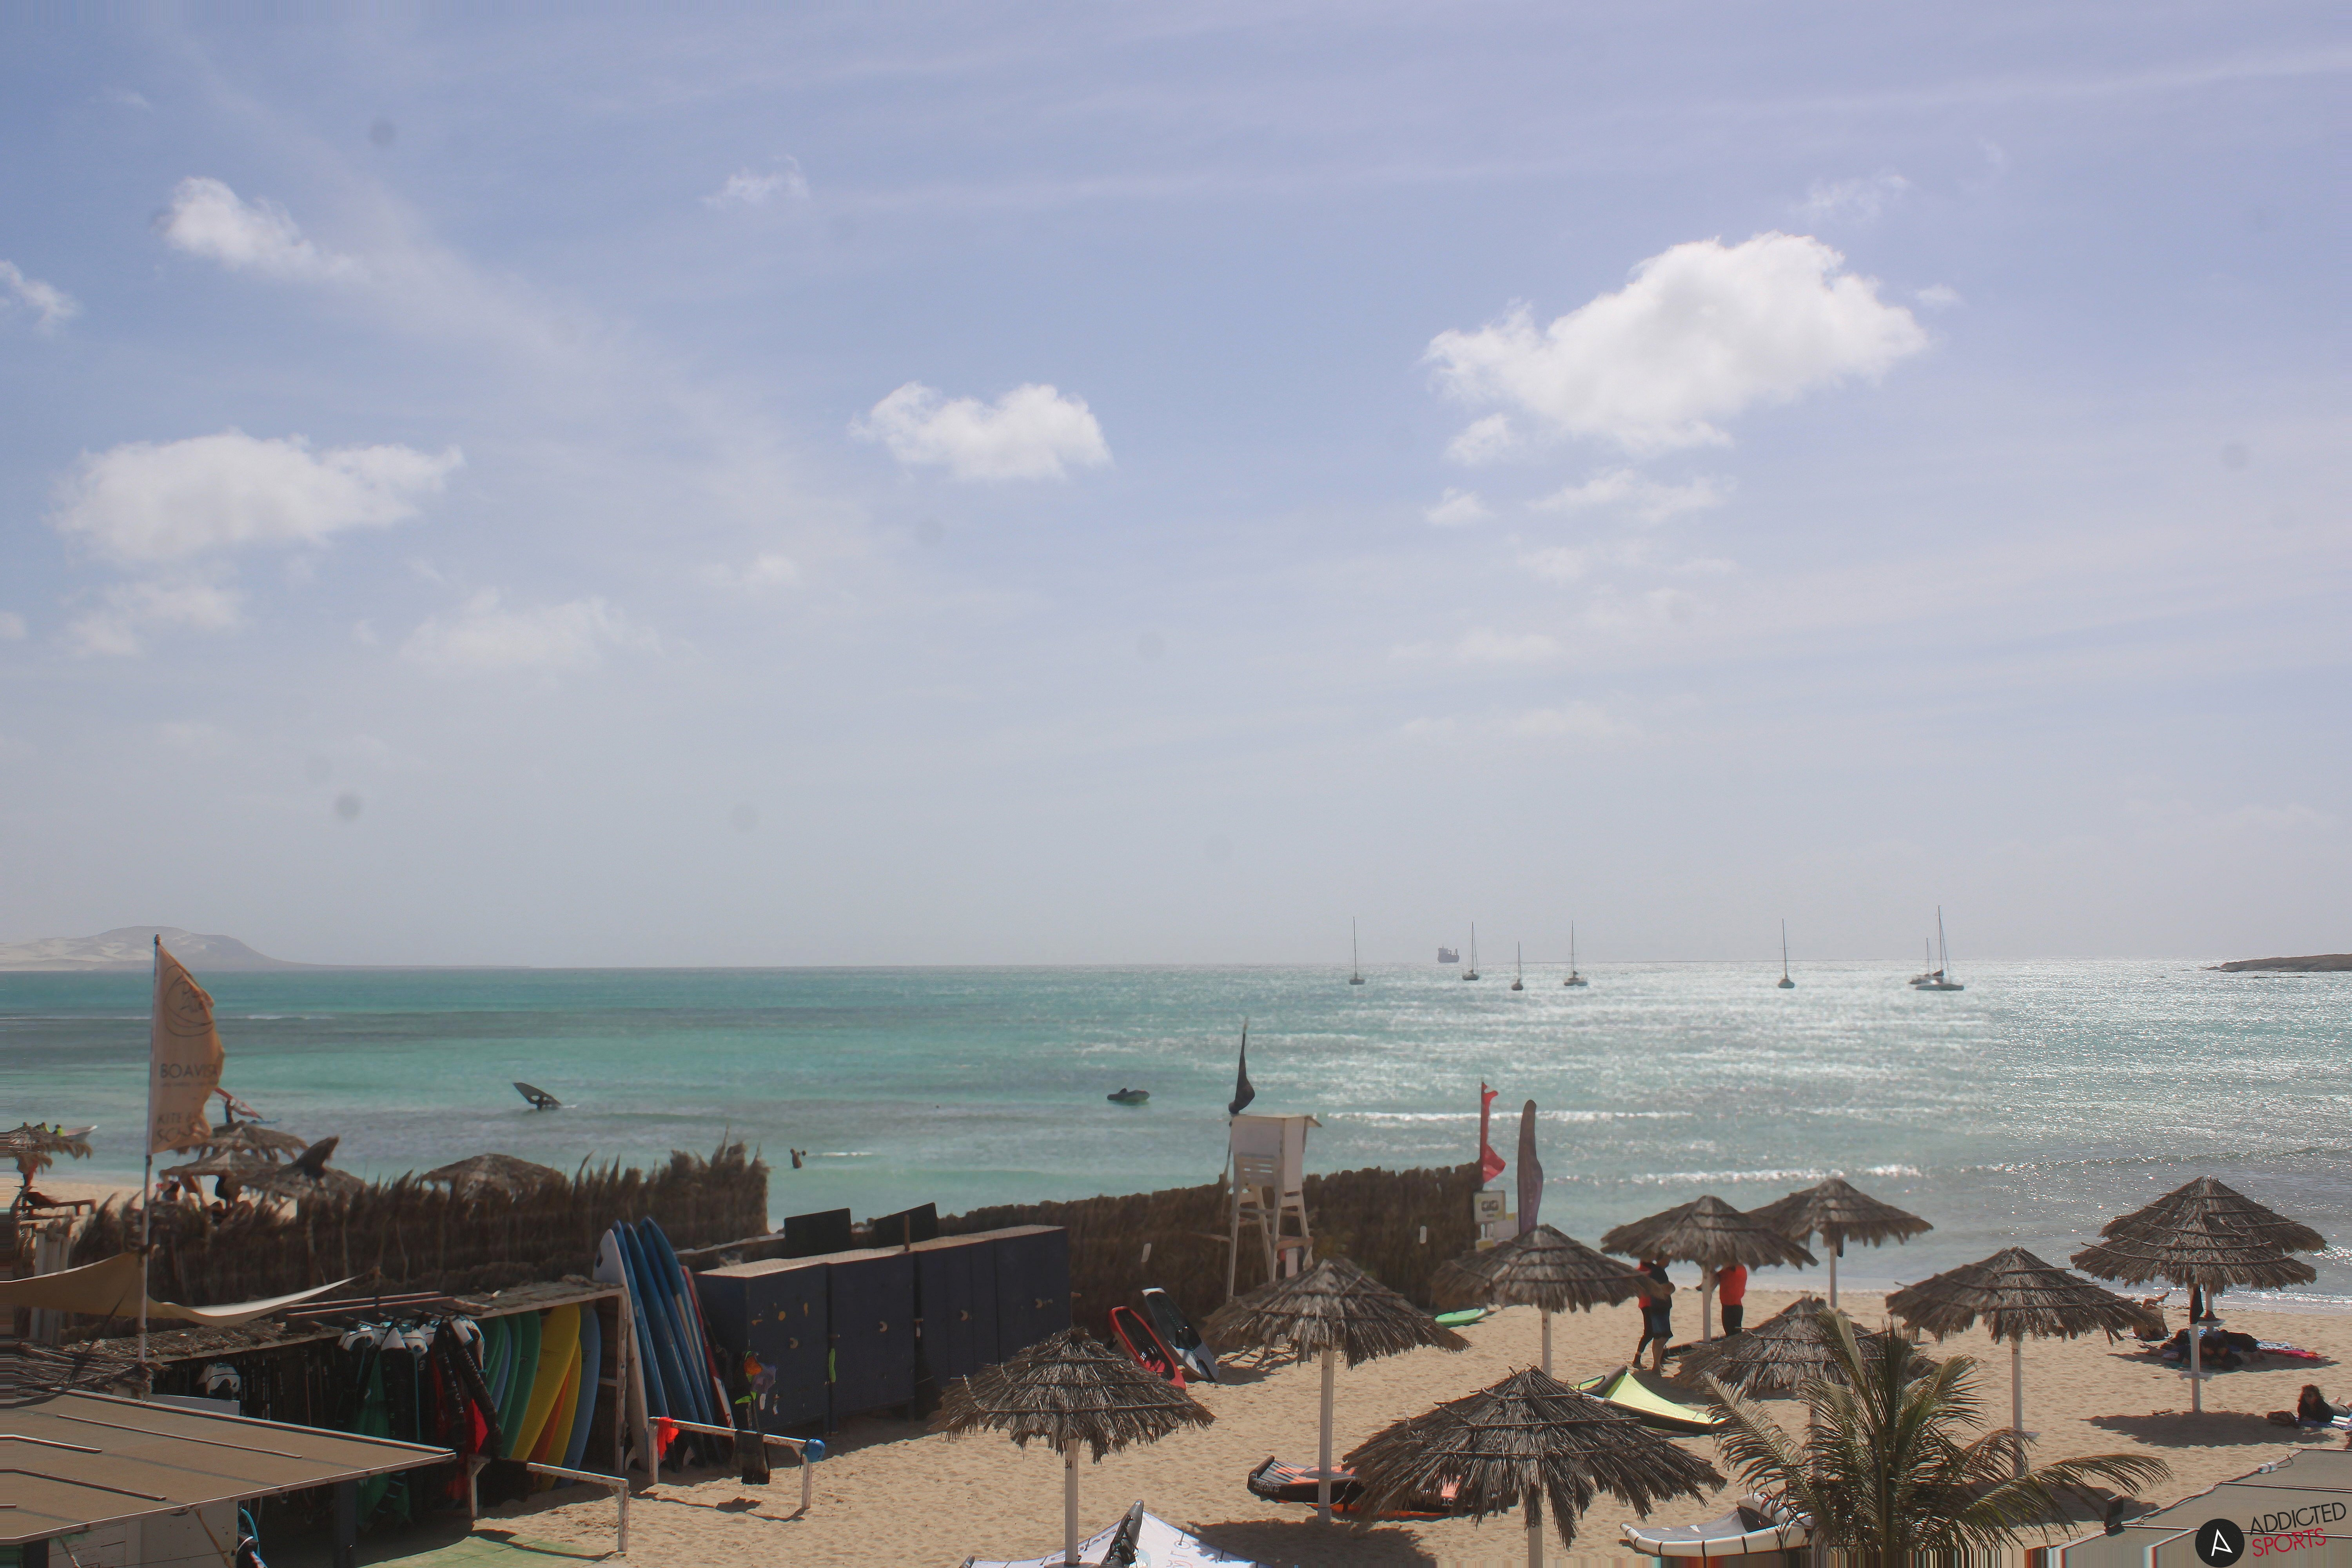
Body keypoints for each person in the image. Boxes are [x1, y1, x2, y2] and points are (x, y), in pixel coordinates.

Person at [1635, 1258, 1675, 1371]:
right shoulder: (1643, 1271)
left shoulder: (1652, 1269)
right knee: (1650, 1333)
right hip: (1648, 1304)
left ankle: (1660, 1359)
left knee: (1658, 1333)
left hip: (1652, 1303)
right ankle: (1637, 1359)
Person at [1718, 1261, 1748, 1336]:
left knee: (1734, 1335)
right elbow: (1717, 1277)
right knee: (1730, 1333)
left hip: (1734, 1307)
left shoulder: (1736, 1269)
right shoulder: (1729, 1270)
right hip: (1727, 1306)